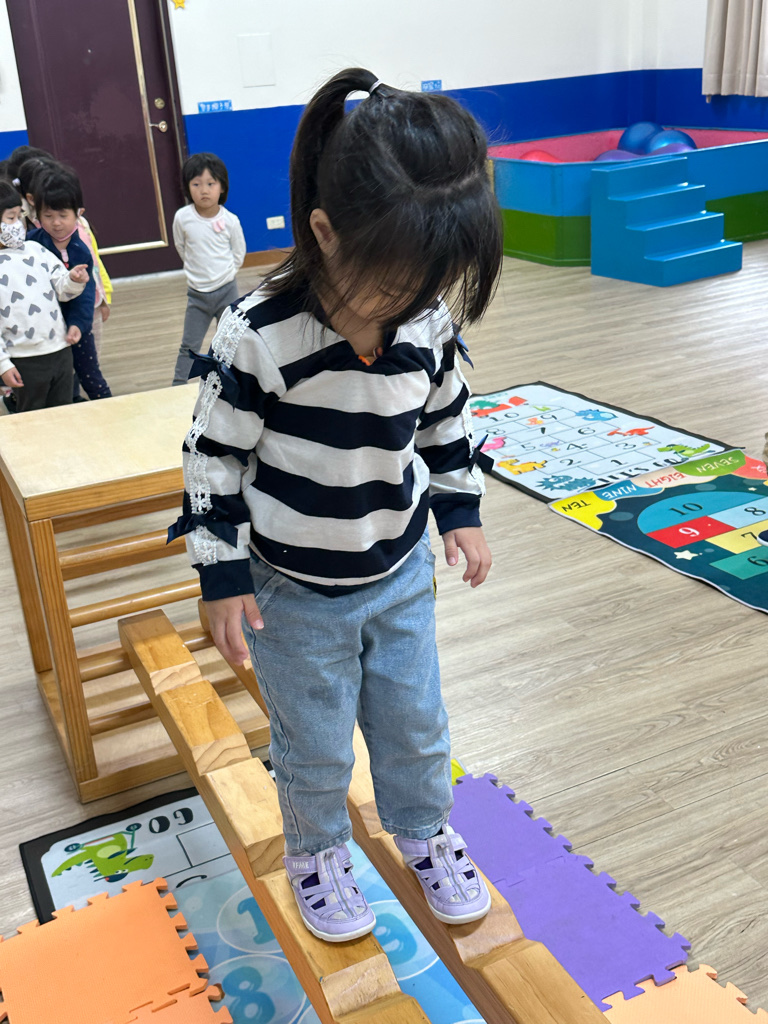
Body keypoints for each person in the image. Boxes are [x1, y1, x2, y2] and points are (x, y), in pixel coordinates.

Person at [171, 68, 502, 942]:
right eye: (396, 283)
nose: (412, 305)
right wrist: (221, 576)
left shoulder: (425, 325)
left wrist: (460, 511)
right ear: (324, 233)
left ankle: (424, 832)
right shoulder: (256, 336)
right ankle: (317, 852)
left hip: (398, 571)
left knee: (417, 725)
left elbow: (446, 421)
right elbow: (210, 459)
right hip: (292, 590)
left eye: (430, 285)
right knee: (313, 744)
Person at [0, 179, 88, 411]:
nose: (18, 224)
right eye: (10, 218)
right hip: (23, 358)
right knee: (31, 417)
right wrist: (3, 365)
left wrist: (73, 279)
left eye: (19, 216)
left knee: (63, 411)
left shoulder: (36, 250)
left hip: (59, 350)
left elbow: (62, 286)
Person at [28, 167, 112, 401]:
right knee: (62, 381)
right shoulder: (31, 244)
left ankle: (108, 408)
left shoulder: (80, 251)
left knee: (90, 375)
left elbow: (85, 295)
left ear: (78, 214)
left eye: (63, 216)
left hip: (76, 327)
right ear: (37, 215)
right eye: (48, 216)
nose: (56, 223)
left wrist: (78, 324)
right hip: (44, 330)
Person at [171, 152, 246, 386]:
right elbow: (181, 247)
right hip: (197, 295)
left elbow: (238, 253)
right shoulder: (182, 218)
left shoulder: (231, 220)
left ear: (222, 187)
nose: (204, 190)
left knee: (232, 342)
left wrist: (226, 274)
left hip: (227, 290)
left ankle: (235, 384)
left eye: (210, 184)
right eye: (196, 184)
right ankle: (178, 385)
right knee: (189, 345)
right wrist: (196, 272)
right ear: (187, 187)